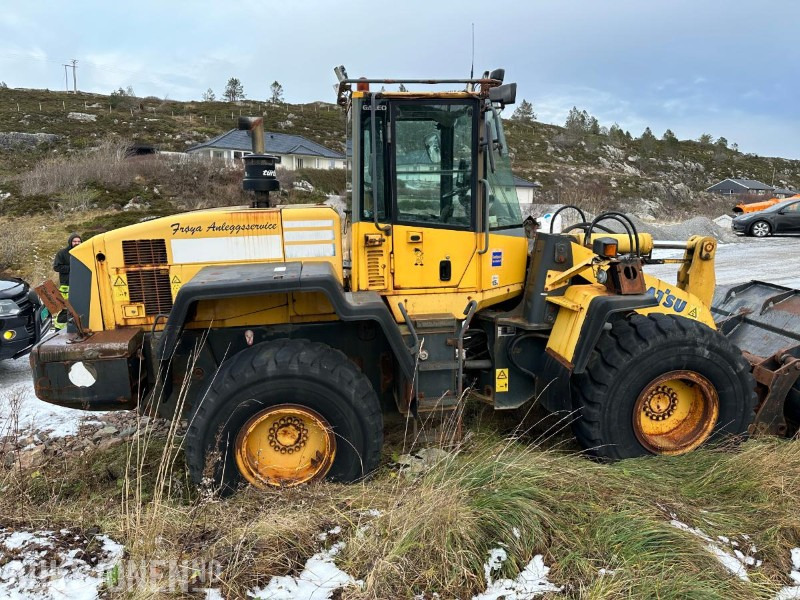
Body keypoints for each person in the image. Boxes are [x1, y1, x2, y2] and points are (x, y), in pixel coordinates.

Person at [52, 233, 81, 329]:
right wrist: (72, 268)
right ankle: (59, 328)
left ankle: (76, 326)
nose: (77, 243)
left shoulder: (84, 252)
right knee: (65, 308)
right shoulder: (62, 253)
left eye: (78, 241)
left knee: (79, 307)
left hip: (80, 285)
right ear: (70, 242)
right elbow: (56, 267)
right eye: (74, 241)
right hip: (66, 286)